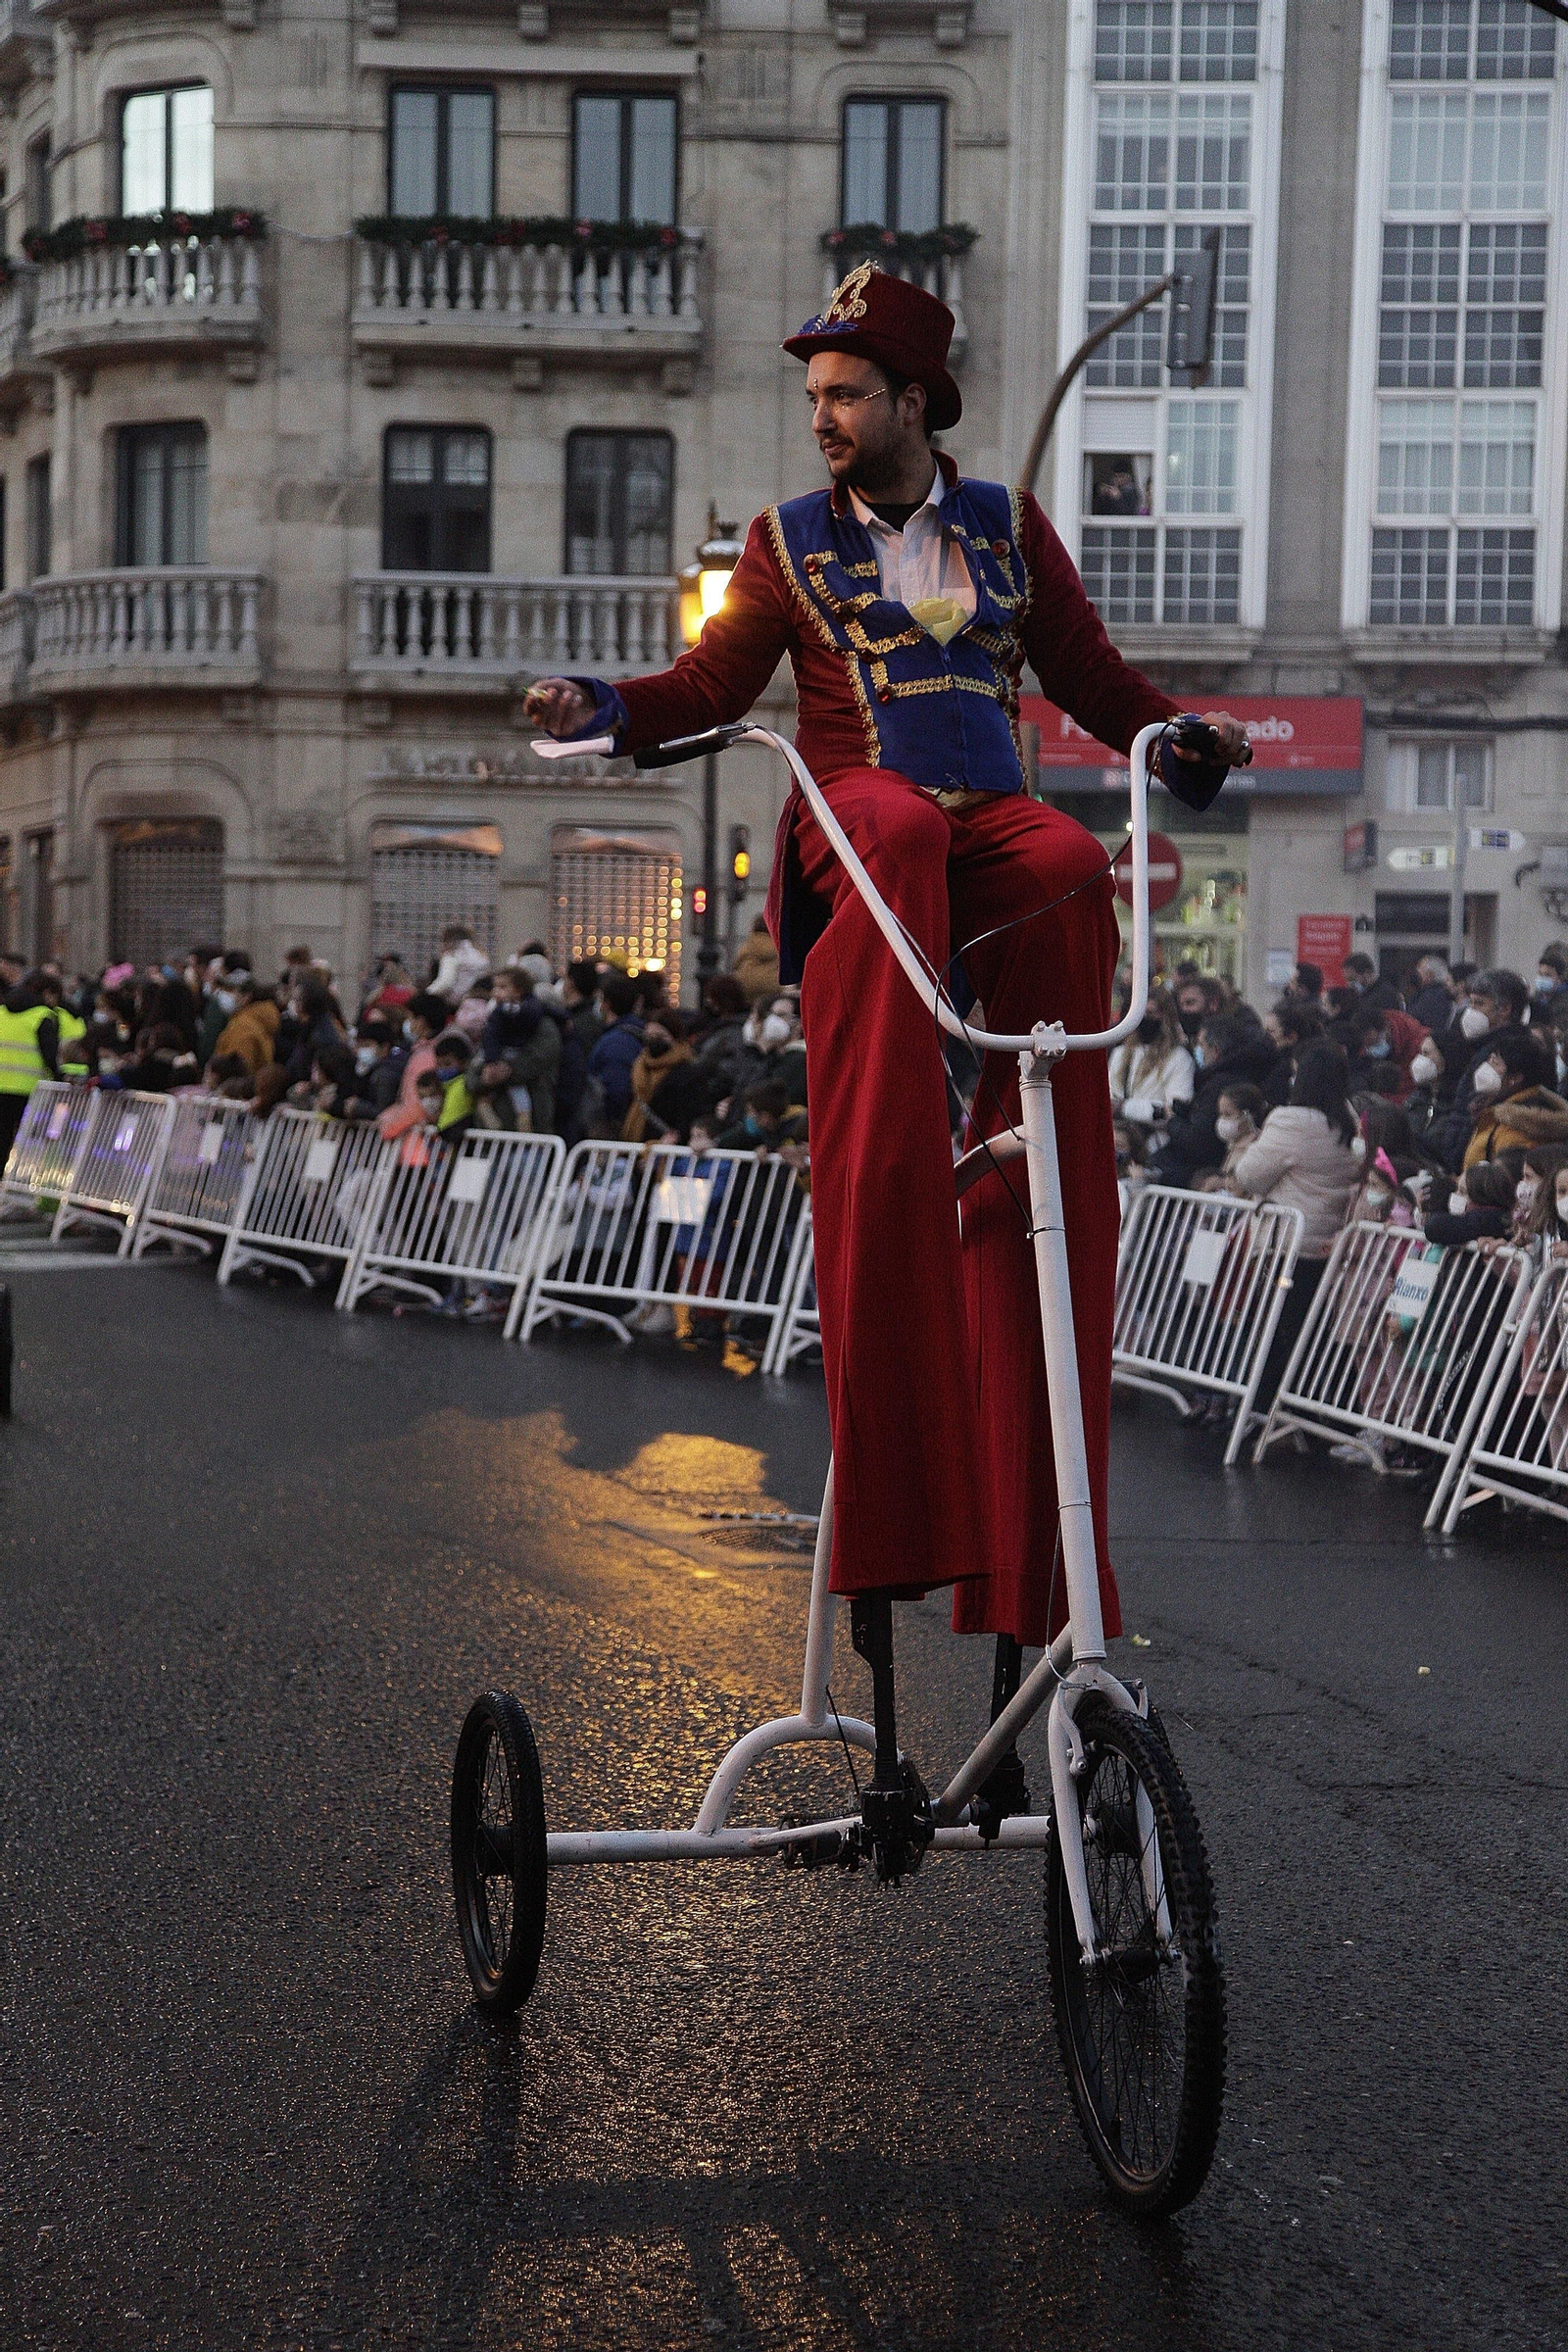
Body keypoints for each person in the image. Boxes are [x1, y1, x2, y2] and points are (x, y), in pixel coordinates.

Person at [524, 263, 1250, 1845]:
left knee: (1066, 862)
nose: (826, 418)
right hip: (860, 834)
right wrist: (603, 705)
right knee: (897, 815)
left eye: (849, 394)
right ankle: (893, 1118)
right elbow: (711, 686)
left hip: (987, 830)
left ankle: (1030, 1118)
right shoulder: (786, 544)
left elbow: (1092, 681)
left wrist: (1175, 738)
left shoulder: (1003, 526)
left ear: (916, 401)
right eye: (816, 401)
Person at [1228, 1040, 1362, 1407]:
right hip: (1323, 1241)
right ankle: (1294, 1409)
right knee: (1306, 1329)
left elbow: (1249, 1175)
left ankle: (1256, 1407)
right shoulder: (1347, 1120)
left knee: (1271, 1330)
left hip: (1286, 1244)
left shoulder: (1292, 1120)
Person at [1151, 1009, 1274, 1188]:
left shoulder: (1220, 1083)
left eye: (1201, 1045)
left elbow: (1199, 1140)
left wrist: (1172, 1121)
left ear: (1215, 1049)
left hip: (1196, 1169)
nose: (1198, 1050)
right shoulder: (1239, 1072)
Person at [1457, 1027, 1568, 1170]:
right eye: (1489, 1059)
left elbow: (1502, 1179)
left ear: (1515, 1078)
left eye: (1495, 1063)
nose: (1486, 1067)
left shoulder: (1518, 1126)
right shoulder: (1491, 1110)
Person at [480, 965, 561, 1133]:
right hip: (496, 1133)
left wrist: (509, 1070)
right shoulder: (495, 1017)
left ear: (518, 990)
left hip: (535, 1128)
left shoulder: (541, 1023)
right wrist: (486, 1070)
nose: (496, 992)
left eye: (503, 987)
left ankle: (524, 1116)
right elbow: (483, 1050)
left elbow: (538, 1061)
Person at [1106, 985, 1194, 1137]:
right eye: (1141, 1014)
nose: (1145, 1019)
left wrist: (1125, 1108)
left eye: (1151, 1013)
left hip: (1156, 1142)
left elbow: (1175, 1110)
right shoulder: (1120, 1054)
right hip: (1119, 1140)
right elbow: (1109, 1097)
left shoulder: (1179, 1058)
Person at [0, 970, 62, 1167]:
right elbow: (50, 1056)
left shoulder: (1, 1012)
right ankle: (19, 1178)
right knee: (28, 1139)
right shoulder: (43, 1016)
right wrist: (59, 1077)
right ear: (45, 993)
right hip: (32, 1090)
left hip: (1, 1087)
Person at [378, 990, 448, 1142]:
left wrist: (389, 1125)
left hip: (418, 1146)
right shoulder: (427, 1051)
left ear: (421, 1021)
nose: (408, 1023)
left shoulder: (426, 1056)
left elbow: (416, 1101)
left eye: (410, 1018)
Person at [586, 975, 646, 1131]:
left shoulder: (615, 1042)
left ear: (607, 1004)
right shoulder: (635, 1033)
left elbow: (616, 1089)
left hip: (615, 1125)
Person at [1422, 1157, 1517, 1251]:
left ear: (1481, 1198)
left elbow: (1434, 1227)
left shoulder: (1486, 1219)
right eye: (1457, 1189)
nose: (1456, 1195)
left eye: (1462, 1192)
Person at [212, 974, 279, 1076]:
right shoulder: (258, 1018)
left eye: (231, 990)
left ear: (246, 996)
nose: (225, 994)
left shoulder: (242, 1027)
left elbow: (236, 1068)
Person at [431, 924, 490, 1007]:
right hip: (479, 1000)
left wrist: (427, 994)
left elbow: (445, 982)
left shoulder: (452, 954)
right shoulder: (481, 954)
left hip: (455, 1003)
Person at [732, 914, 780, 1006]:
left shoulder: (748, 944)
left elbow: (736, 963)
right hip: (771, 989)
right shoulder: (777, 945)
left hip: (745, 989)